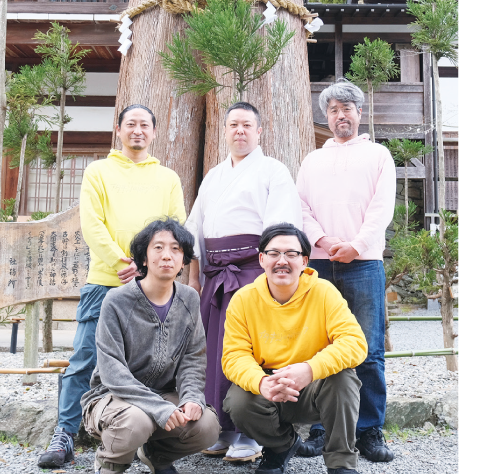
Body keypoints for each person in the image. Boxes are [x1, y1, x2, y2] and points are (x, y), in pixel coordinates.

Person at [38, 105, 187, 468]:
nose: (137, 131)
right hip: (106, 281)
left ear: (154, 132)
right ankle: (65, 433)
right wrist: (124, 262)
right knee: (85, 357)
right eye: (131, 124)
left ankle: (151, 439)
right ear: (118, 129)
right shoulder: (98, 171)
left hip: (152, 287)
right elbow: (92, 223)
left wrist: (148, 268)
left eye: (145, 125)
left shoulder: (167, 177)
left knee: (154, 362)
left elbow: (176, 225)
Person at [185, 102, 303, 462]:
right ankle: (220, 429)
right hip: (215, 276)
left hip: (253, 272)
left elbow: (280, 231)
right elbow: (195, 231)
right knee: (214, 351)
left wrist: (272, 278)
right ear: (225, 131)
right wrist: (194, 280)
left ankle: (251, 435)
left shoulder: (273, 171)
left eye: (247, 125)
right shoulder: (214, 176)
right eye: (233, 124)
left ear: (259, 131)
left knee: (251, 351)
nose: (240, 131)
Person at [295, 78, 397, 462]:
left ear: (359, 112)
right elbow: (302, 205)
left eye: (347, 108)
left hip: (364, 262)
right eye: (334, 109)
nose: (341, 115)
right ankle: (323, 429)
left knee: (368, 349)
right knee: (322, 346)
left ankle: (370, 431)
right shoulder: (312, 160)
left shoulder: (378, 156)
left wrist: (355, 244)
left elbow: (381, 207)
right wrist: (321, 240)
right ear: (327, 115)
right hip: (320, 263)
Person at [221, 222, 368, 474]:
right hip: (270, 384)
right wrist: (260, 382)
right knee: (238, 401)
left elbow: (354, 343)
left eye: (291, 254)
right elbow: (235, 355)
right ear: (261, 259)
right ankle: (281, 446)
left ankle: (341, 463)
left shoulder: (324, 292)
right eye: (274, 253)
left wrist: (310, 369)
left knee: (344, 380)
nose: (282, 261)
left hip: (315, 384)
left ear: (304, 261)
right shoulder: (243, 299)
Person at [79, 218, 220, 474]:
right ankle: (110, 464)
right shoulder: (116, 300)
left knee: (207, 425)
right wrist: (160, 408)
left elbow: (193, 358)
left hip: (163, 393)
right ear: (143, 258)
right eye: (158, 248)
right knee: (136, 421)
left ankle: (157, 456)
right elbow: (112, 371)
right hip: (111, 396)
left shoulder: (188, 298)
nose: (167, 255)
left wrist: (191, 398)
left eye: (176, 249)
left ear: (184, 260)